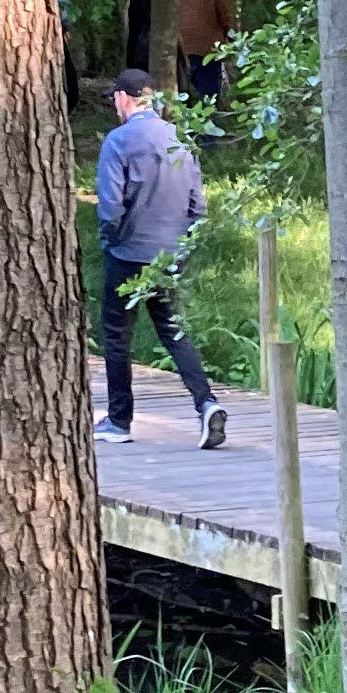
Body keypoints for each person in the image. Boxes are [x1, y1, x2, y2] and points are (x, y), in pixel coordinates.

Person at [92, 70, 228, 451]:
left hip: (128, 253)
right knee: (173, 330)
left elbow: (110, 206)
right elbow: (197, 207)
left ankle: (119, 419)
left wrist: (110, 240)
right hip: (169, 255)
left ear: (124, 98)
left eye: (113, 98)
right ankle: (206, 402)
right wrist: (179, 248)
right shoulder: (179, 141)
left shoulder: (117, 142)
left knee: (117, 336)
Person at [175, 0, 238, 113]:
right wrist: (233, 40)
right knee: (208, 97)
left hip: (179, 48)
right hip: (208, 49)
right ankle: (208, 135)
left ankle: (184, 133)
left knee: (183, 95)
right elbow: (227, 16)